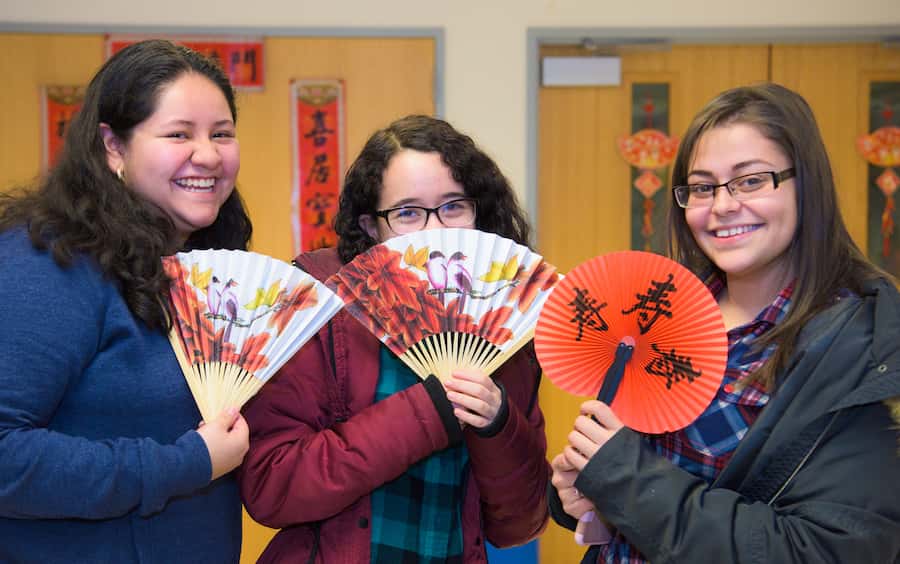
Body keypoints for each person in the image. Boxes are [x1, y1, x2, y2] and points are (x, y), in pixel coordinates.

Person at [549, 83, 900, 563]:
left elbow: (824, 550)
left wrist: (624, 478)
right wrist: (587, 496)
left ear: (807, 184)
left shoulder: (859, 349)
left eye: (752, 180)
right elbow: (632, 478)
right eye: (701, 186)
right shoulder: (663, 313)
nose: (722, 206)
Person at [239, 115, 550, 563]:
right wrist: (427, 412)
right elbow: (273, 489)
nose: (435, 232)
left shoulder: (508, 321)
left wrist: (498, 423)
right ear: (371, 226)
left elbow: (519, 523)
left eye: (453, 206)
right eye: (407, 213)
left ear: (479, 212)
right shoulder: (318, 303)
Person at [0, 39, 252, 563]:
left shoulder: (206, 268)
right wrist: (187, 463)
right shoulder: (48, 261)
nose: (207, 154)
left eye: (221, 134)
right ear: (113, 147)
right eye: (178, 133)